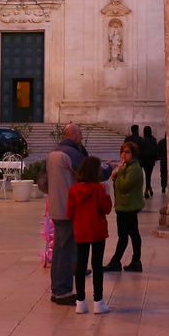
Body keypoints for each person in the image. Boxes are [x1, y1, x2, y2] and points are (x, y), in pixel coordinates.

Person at [45, 123, 87, 305]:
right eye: (79, 133)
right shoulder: (71, 154)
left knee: (59, 252)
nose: (82, 137)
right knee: (68, 252)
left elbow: (43, 181)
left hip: (56, 207)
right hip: (68, 209)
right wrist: (108, 170)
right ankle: (63, 291)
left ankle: (56, 290)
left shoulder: (52, 153)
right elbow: (89, 174)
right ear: (71, 135)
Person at [66, 155, 113, 314]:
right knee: (97, 265)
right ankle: (98, 302)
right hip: (97, 230)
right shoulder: (97, 189)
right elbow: (106, 208)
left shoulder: (73, 189)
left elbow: (69, 213)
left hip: (80, 230)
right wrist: (107, 193)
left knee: (80, 265)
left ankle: (80, 302)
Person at [104, 140, 143, 272]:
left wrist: (119, 173)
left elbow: (125, 186)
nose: (124, 155)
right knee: (131, 233)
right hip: (124, 205)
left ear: (133, 154)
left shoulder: (134, 168)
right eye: (122, 152)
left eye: (127, 152)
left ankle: (117, 261)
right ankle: (135, 261)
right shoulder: (127, 166)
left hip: (128, 206)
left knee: (126, 235)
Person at [139, 127, 158, 198]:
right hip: (150, 160)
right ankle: (148, 188)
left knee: (145, 175)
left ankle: (148, 189)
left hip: (143, 160)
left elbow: (139, 150)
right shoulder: (153, 140)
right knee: (148, 175)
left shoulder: (141, 140)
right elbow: (155, 150)